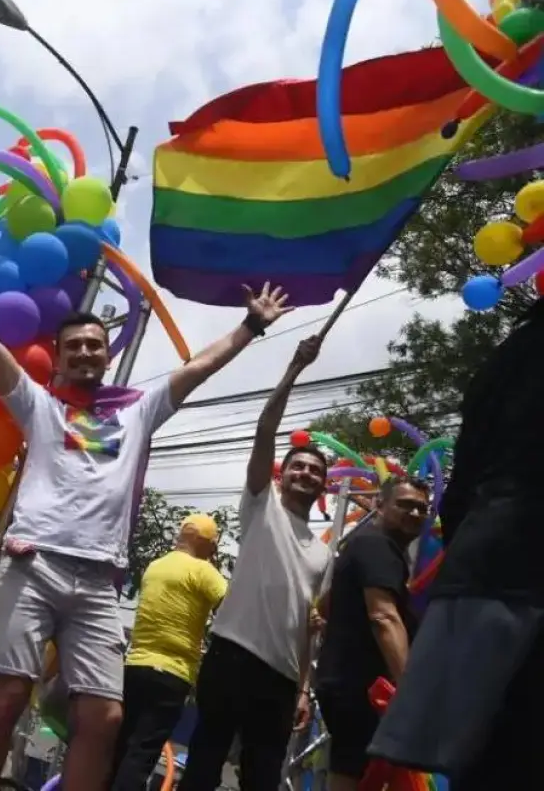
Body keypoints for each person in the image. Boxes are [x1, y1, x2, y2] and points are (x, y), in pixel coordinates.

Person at [0, 247, 296, 791]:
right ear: (59, 359)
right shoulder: (38, 405)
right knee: (9, 694)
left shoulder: (140, 409)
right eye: (74, 348)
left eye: (94, 345)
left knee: (105, 717)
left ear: (106, 355)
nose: (85, 353)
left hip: (98, 584)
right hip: (33, 563)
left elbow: (199, 366)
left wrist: (251, 324)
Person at [367, 299, 544, 789]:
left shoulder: (506, 358)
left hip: (484, 575)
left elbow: (462, 488)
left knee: (489, 758)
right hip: (513, 574)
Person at [180, 336, 332, 791]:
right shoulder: (260, 505)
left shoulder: (325, 552)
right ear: (280, 476)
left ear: (323, 485)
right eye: (298, 467)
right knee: (204, 764)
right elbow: (266, 431)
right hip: (231, 659)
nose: (306, 473)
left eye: (315, 471)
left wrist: (304, 688)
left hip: (282, 681)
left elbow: (310, 627)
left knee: (263, 778)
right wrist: (294, 369)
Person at [313, 477, 428, 790]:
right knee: (357, 775)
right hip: (362, 688)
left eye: (422, 508)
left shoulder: (366, 545)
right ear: (379, 504)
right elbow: (383, 616)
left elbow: (325, 605)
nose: (416, 513)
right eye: (405, 505)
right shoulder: (377, 545)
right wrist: (408, 694)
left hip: (347, 684)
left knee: (351, 771)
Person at [111, 514, 227, 789]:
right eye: (214, 546)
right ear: (204, 542)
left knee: (120, 748)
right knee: (142, 753)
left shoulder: (155, 566)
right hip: (172, 674)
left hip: (134, 666)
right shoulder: (204, 572)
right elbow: (230, 610)